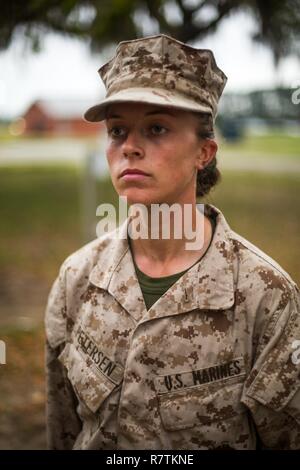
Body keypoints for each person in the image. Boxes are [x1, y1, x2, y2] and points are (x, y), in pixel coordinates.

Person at [45, 34, 300, 450]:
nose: (129, 147)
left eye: (156, 128)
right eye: (117, 131)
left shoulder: (264, 296)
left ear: (204, 152)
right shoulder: (78, 278)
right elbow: (62, 429)